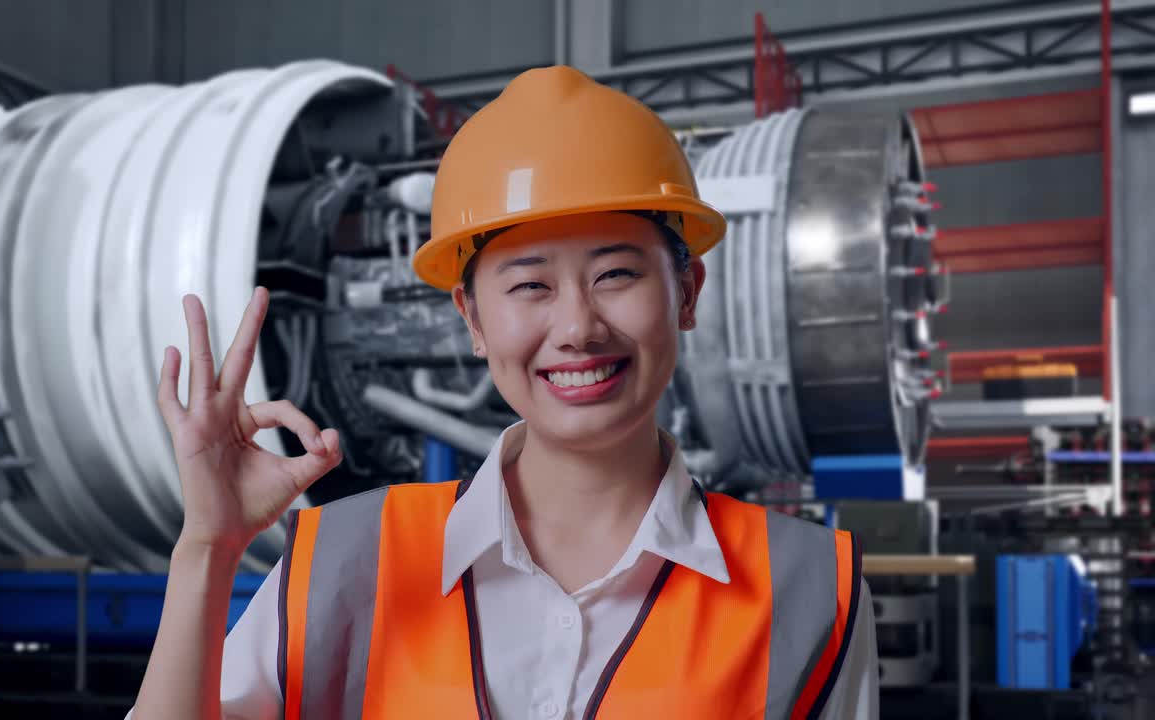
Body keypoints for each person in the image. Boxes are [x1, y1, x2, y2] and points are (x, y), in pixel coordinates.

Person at [129, 65, 877, 719]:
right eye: (530, 285)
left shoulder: (813, 590)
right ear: (472, 318)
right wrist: (209, 547)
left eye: (616, 274)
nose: (578, 327)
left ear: (686, 291)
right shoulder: (339, 563)